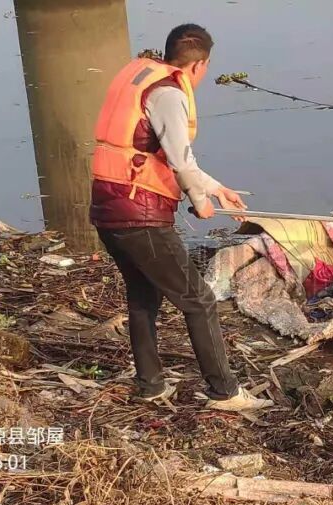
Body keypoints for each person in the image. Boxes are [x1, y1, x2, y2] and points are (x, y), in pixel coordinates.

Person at [89, 24, 272, 412]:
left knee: (144, 295)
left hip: (109, 210)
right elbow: (179, 160)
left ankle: (150, 385)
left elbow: (160, 156)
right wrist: (199, 200)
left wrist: (217, 188)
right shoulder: (169, 94)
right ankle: (225, 392)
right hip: (140, 217)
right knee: (199, 300)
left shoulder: (144, 79)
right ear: (199, 65)